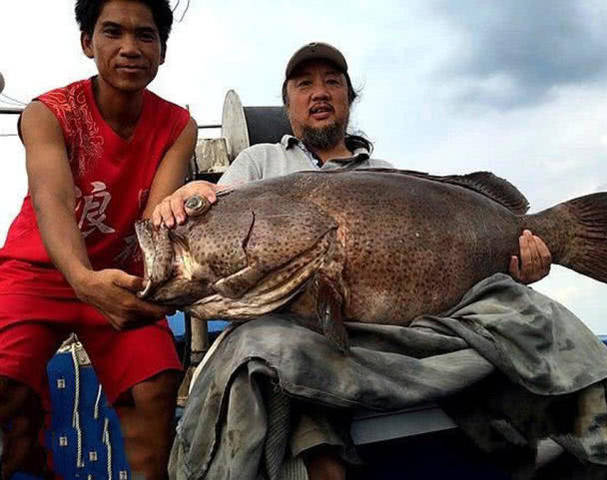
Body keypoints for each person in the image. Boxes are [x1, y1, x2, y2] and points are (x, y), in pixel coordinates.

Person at [156, 42, 551, 480]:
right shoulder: (258, 163)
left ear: (349, 98)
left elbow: (439, 262)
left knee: (529, 317)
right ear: (288, 104)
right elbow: (212, 211)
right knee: (293, 391)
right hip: (295, 341)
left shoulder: (383, 172)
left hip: (383, 339)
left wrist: (519, 270)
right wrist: (185, 199)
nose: (319, 93)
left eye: (332, 82)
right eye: (304, 84)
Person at [0, 1, 197, 478]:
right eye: (113, 32)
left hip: (122, 274)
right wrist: (83, 280)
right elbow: (53, 200)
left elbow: (155, 221)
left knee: (154, 388)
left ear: (163, 51)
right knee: (6, 389)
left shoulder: (178, 126)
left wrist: (193, 200)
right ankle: (27, 451)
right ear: (88, 42)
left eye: (145, 36)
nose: (130, 48)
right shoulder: (47, 113)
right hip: (37, 270)